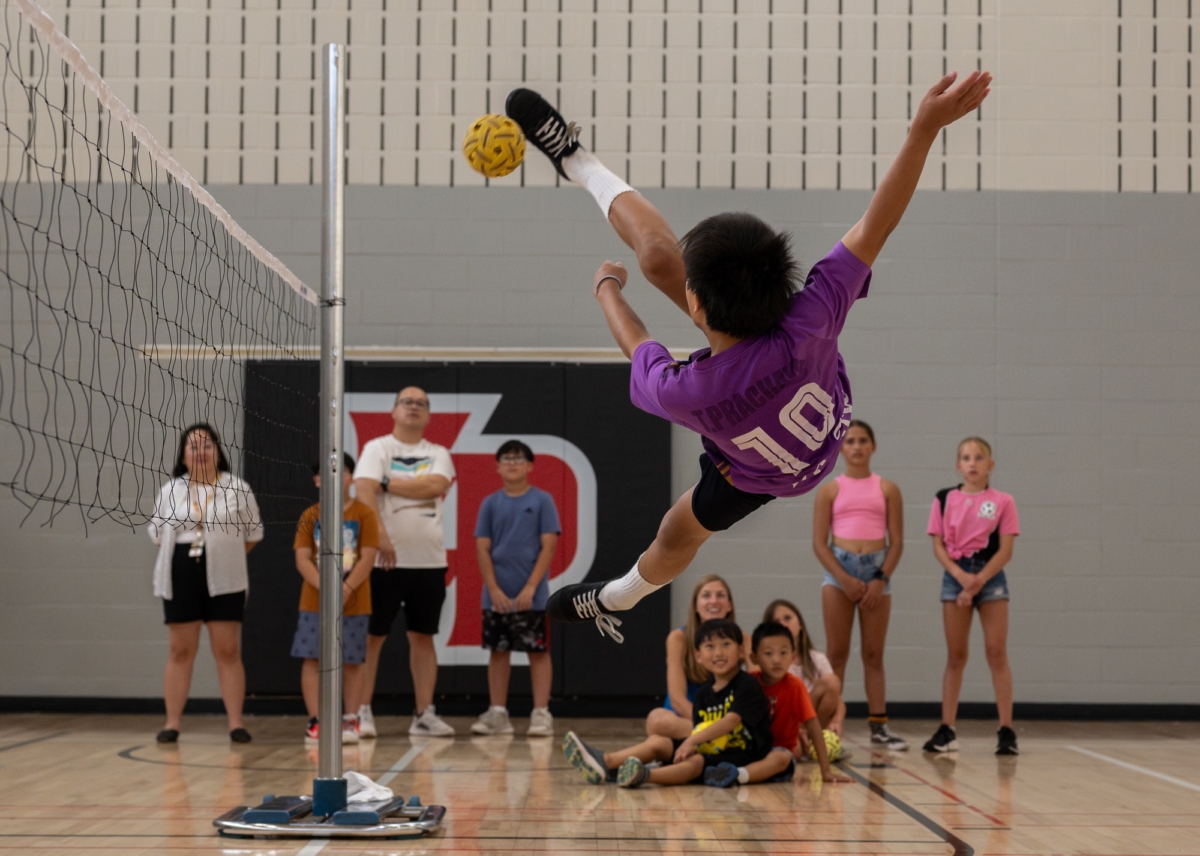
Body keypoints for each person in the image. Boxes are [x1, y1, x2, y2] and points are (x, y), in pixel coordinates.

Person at [504, 71, 994, 639]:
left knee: (674, 535)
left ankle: (618, 595)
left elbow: (639, 343)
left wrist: (607, 285)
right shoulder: (810, 317)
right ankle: (576, 160)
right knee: (662, 260)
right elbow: (879, 220)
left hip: (755, 476)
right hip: (801, 435)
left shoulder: (690, 391)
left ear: (696, 306)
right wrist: (923, 131)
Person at [148, 423, 263, 744]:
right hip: (180, 571)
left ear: (218, 452)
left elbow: (253, 535)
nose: (200, 452)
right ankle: (172, 724)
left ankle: (236, 724)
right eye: (193, 446)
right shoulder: (170, 490)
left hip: (226, 575)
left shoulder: (237, 487)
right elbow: (156, 534)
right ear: (183, 456)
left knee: (227, 650)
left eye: (207, 445)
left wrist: (223, 554)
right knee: (180, 649)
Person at [561, 619, 775, 788]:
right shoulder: (702, 695)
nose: (718, 653)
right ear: (698, 656)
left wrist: (691, 742)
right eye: (710, 646)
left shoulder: (747, 685)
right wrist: (689, 745)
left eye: (726, 644)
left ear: (740, 651)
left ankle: (645, 775)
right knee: (658, 741)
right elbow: (700, 729)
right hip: (710, 750)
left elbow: (730, 722)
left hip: (742, 756)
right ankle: (607, 762)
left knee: (696, 762)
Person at [354, 387, 457, 738]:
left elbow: (436, 486)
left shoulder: (439, 453)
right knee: (373, 637)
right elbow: (364, 490)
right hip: (384, 563)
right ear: (394, 411)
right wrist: (380, 535)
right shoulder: (376, 448)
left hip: (429, 563)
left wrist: (388, 482)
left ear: (428, 415)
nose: (413, 407)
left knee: (423, 638)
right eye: (407, 402)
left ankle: (424, 714)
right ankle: (361, 711)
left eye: (421, 403)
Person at [811, 420, 907, 750]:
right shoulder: (829, 489)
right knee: (836, 654)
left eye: (863, 440)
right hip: (840, 573)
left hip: (876, 572)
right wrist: (843, 577)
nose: (856, 447)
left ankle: (879, 727)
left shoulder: (887, 489)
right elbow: (819, 543)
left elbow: (897, 542)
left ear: (873, 446)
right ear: (840, 448)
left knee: (873, 653)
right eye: (850, 441)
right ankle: (824, 726)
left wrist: (880, 580)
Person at [924, 437, 1020, 756]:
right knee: (956, 655)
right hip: (956, 575)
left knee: (996, 652)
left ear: (990, 465)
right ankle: (947, 728)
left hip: (990, 576)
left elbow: (1005, 550)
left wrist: (977, 581)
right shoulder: (943, 498)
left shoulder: (1003, 501)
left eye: (979, 457)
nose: (973, 463)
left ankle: (1006, 729)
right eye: (966, 457)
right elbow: (938, 544)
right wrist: (961, 577)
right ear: (957, 465)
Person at [470, 440, 561, 738]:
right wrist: (493, 589)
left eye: (518, 458)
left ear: (530, 465)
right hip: (497, 596)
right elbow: (483, 549)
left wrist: (531, 587)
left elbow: (549, 546)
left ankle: (540, 713)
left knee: (537, 652)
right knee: (498, 651)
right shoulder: (489, 503)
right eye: (506, 458)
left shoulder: (543, 501)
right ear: (497, 466)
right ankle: (498, 714)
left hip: (531, 597)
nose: (512, 463)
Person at [291, 454, 379, 745]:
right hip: (315, 601)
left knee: (353, 660)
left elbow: (368, 557)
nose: (333, 476)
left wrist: (346, 589)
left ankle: (350, 719)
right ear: (317, 480)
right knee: (313, 658)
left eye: (340, 471)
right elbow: (303, 559)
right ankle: (317, 721)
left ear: (351, 477)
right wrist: (327, 588)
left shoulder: (364, 514)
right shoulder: (310, 515)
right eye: (326, 472)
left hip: (354, 601)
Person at [706, 621, 854, 788]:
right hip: (750, 750)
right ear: (754, 658)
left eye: (783, 653)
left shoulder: (795, 687)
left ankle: (736, 775)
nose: (776, 659)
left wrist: (825, 771)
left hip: (778, 751)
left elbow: (814, 728)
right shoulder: (749, 681)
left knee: (782, 759)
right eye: (768, 653)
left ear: (793, 656)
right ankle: (722, 770)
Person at [643, 575, 737, 740]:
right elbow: (677, 700)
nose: (713, 601)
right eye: (706, 595)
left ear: (729, 605)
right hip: (686, 718)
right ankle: (723, 738)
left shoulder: (742, 641)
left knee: (658, 743)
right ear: (696, 605)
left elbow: (759, 689)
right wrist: (712, 727)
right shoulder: (679, 638)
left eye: (720, 595)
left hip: (726, 719)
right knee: (657, 721)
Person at [762, 598, 846, 743]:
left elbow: (837, 700)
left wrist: (837, 721)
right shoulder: (768, 661)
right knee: (794, 754)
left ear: (800, 624)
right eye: (776, 622)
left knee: (831, 681)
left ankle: (816, 738)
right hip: (784, 722)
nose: (783, 624)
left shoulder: (817, 658)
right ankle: (802, 740)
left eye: (788, 618)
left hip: (813, 721)